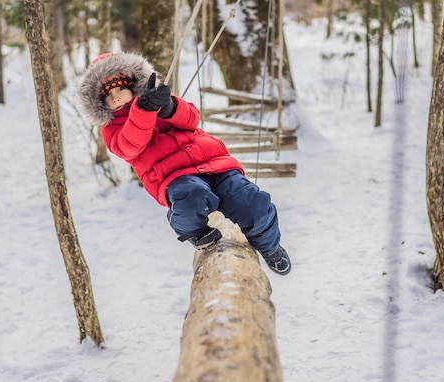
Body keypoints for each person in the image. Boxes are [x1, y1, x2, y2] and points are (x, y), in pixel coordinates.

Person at [77, 52, 291, 275]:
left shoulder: (154, 99)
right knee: (191, 198)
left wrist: (169, 106)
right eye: (108, 95)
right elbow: (130, 144)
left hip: (213, 162)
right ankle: (194, 232)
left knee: (252, 201)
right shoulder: (112, 128)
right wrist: (144, 112)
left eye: (120, 88)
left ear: (133, 84)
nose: (115, 97)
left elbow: (191, 119)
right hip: (175, 176)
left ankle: (270, 245)